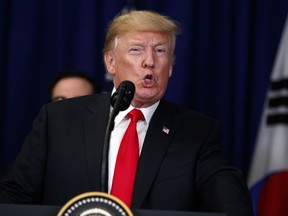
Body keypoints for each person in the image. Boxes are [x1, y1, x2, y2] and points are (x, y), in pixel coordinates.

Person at [0, 10, 254, 215]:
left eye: (160, 51)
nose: (149, 61)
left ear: (171, 67)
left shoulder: (198, 133)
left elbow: (232, 206)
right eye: (136, 50)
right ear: (110, 62)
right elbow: (13, 196)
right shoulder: (57, 120)